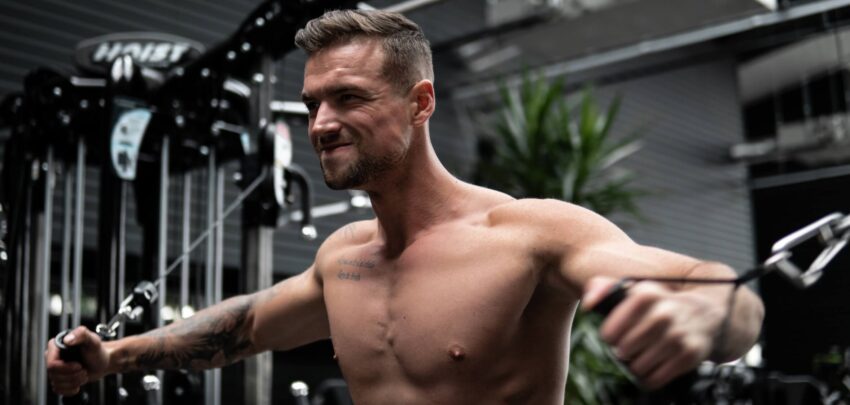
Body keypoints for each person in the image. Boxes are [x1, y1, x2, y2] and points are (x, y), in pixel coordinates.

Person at [46, 9, 764, 404]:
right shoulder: (343, 258)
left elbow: (704, 289)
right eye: (314, 103)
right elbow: (247, 324)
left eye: (349, 98)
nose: (321, 123)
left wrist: (713, 305)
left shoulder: (528, 234)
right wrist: (114, 355)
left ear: (420, 103)